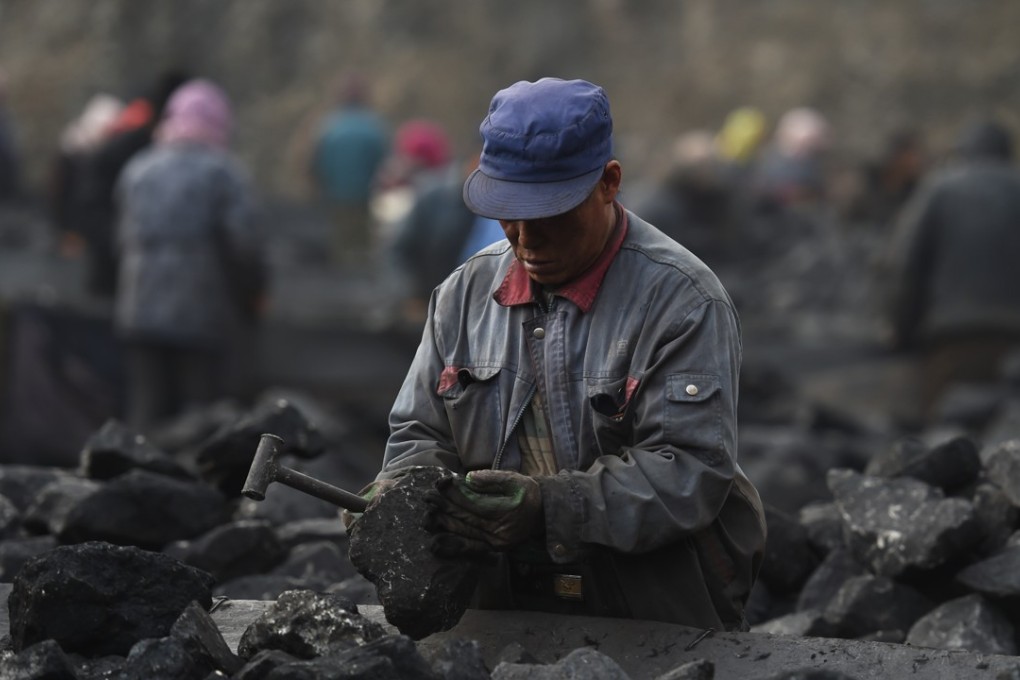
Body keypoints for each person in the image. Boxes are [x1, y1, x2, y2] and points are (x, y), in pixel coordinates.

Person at [358, 78, 766, 631]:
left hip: (649, 607)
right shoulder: (462, 296)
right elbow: (418, 435)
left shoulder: (682, 301)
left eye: (550, 215)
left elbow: (690, 470)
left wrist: (549, 507)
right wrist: (405, 495)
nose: (526, 240)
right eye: (509, 214)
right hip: (499, 602)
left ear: (609, 184)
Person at [114, 78, 268, 433]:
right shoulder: (222, 171)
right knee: (199, 419)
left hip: (139, 305)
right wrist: (253, 292)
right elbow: (243, 243)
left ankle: (132, 484)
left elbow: (120, 239)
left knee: (146, 412)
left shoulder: (138, 168)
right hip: (200, 308)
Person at [884, 118, 1020, 421]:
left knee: (947, 446)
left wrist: (901, 331)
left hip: (951, 342)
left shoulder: (939, 189)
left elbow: (905, 266)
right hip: (1015, 339)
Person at [310, 72, 390, 264]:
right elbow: (383, 163)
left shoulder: (327, 127)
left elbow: (316, 163)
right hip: (366, 198)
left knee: (341, 248)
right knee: (364, 249)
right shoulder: (374, 127)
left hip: (335, 198)